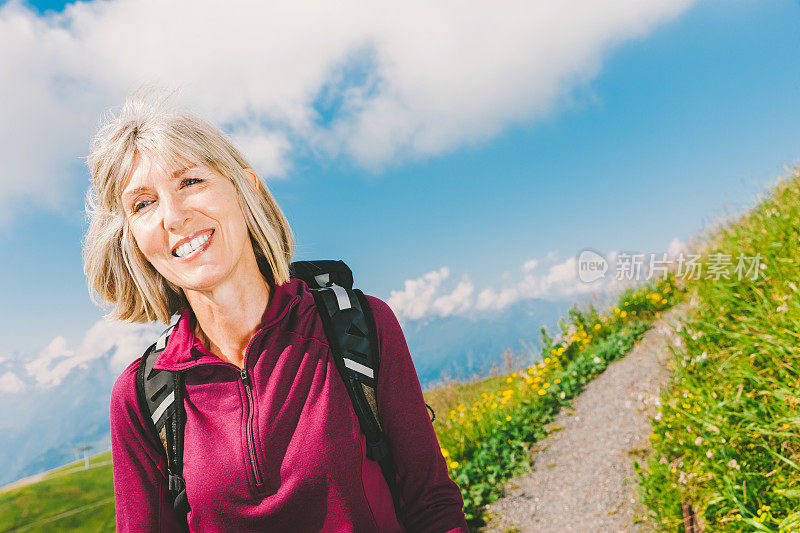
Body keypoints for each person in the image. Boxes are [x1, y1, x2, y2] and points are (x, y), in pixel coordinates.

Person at [83, 90, 469, 532]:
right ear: (132, 239)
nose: (173, 216)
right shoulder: (141, 397)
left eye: (190, 182)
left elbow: (433, 507)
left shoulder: (359, 327)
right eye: (143, 203)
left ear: (247, 189)